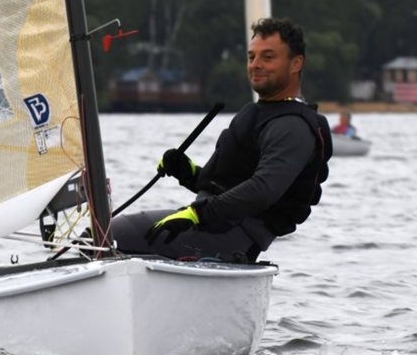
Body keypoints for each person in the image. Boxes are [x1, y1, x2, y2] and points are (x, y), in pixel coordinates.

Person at [111, 17, 332, 263]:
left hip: (231, 238)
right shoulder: (259, 113)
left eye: (268, 57)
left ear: (296, 63)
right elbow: (225, 185)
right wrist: (188, 172)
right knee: (99, 236)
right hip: (213, 227)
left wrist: (197, 214)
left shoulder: (292, 126)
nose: (255, 65)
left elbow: (263, 190)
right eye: (251, 57)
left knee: (106, 239)